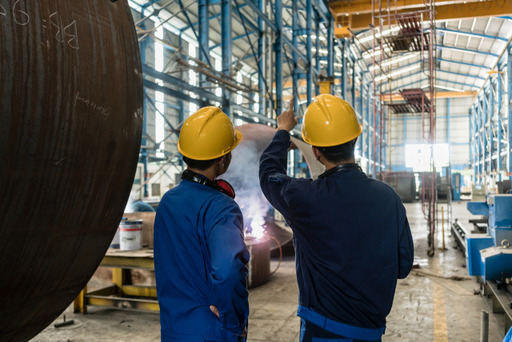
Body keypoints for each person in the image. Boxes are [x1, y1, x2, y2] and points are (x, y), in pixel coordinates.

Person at [259, 94, 414, 342]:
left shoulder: (305, 198)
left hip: (324, 330)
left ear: (316, 151)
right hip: (370, 332)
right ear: (354, 140)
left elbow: (269, 174)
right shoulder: (389, 198)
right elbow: (403, 266)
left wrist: (282, 131)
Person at [154, 106, 250, 342]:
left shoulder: (167, 201)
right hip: (211, 331)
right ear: (223, 159)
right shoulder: (221, 207)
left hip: (172, 329)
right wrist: (233, 321)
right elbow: (228, 272)